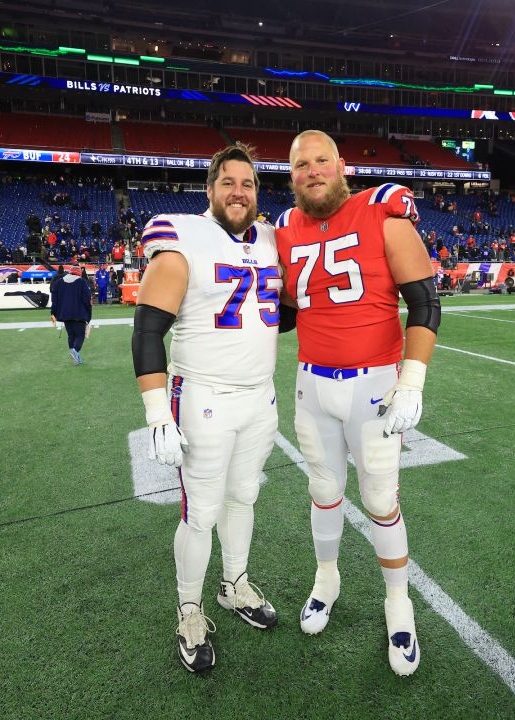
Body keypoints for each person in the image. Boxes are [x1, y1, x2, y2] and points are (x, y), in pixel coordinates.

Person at [275, 130, 439, 677]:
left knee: (379, 499)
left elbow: (424, 301)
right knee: (323, 490)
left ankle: (399, 602)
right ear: (292, 173)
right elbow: (290, 310)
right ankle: (327, 580)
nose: (313, 171)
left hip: (374, 385)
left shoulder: (382, 210)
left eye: (322, 160)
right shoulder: (284, 229)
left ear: (342, 165)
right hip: (312, 383)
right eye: (302, 164)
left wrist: (411, 380)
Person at [131, 143, 284, 674]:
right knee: (201, 514)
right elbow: (148, 329)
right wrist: (157, 413)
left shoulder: (270, 239)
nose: (238, 192)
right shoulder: (183, 235)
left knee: (243, 497)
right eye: (228, 182)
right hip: (203, 396)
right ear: (210, 189)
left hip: (260, 395)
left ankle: (234, 585)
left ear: (257, 193)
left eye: (247, 183)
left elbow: (273, 314)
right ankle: (189, 608)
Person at [49, 263, 93, 365]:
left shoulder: (59, 283)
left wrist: (53, 313)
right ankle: (75, 351)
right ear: (79, 273)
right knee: (80, 335)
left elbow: (54, 299)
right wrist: (89, 314)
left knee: (71, 335)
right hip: (79, 313)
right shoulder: (81, 282)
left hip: (64, 313)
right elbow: (87, 300)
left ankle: (75, 356)